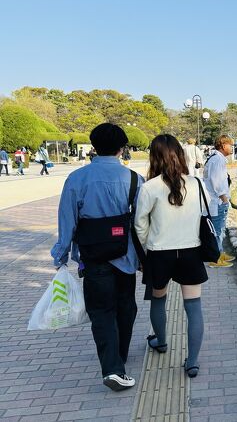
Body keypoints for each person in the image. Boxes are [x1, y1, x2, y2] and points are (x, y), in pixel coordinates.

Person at [51, 123, 144, 391]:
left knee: (101, 311)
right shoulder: (134, 180)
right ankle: (118, 360)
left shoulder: (76, 179)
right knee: (126, 307)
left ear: (93, 146)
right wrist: (144, 257)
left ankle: (113, 365)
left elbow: (67, 220)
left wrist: (61, 254)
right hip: (124, 256)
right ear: (122, 148)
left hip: (92, 258)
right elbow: (141, 224)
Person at [134, 134, 208, 378]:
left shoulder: (149, 187)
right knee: (193, 307)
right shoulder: (196, 183)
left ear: (154, 157)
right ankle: (193, 361)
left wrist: (147, 248)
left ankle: (161, 342)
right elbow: (206, 212)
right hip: (191, 251)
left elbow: (139, 224)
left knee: (158, 299)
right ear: (180, 154)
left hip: (159, 254)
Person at [204, 135, 236, 268]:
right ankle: (215, 259)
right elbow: (216, 180)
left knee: (219, 228)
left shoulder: (216, 158)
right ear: (223, 145)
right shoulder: (217, 159)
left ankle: (220, 253)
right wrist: (223, 197)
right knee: (216, 230)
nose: (232, 148)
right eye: (230, 145)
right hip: (216, 201)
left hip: (215, 200)